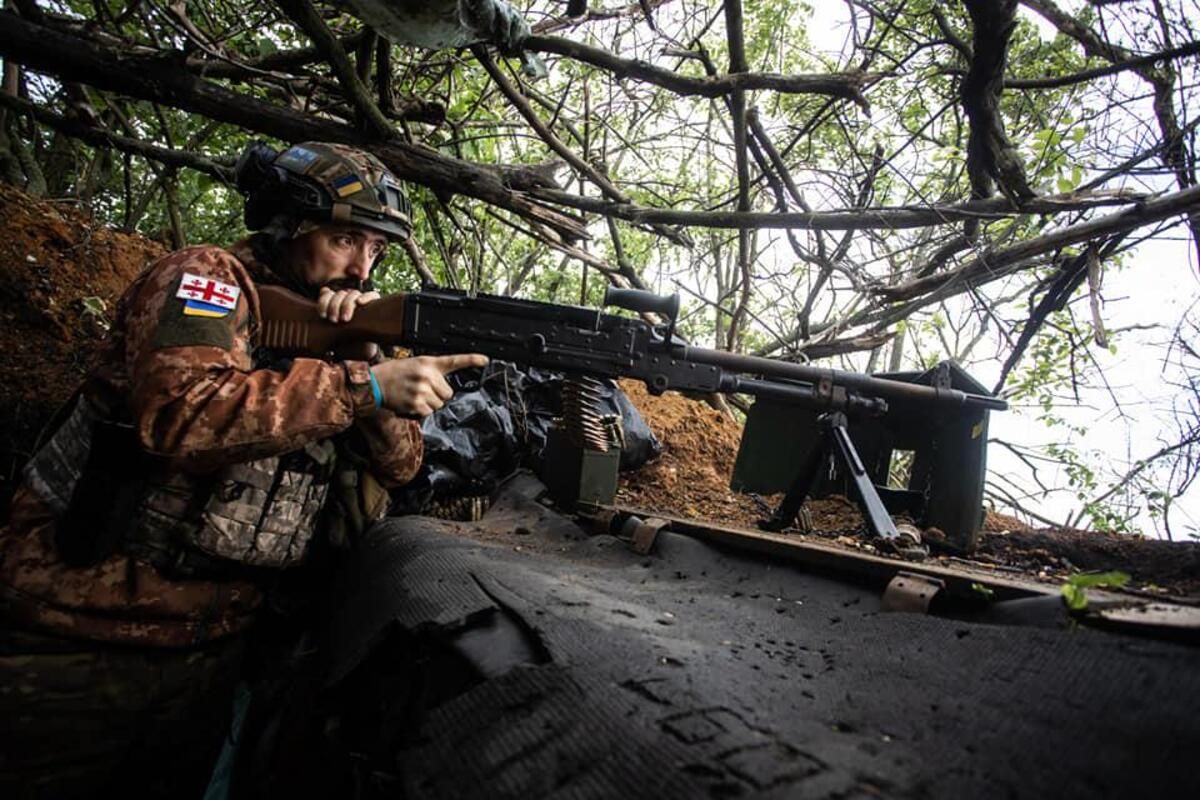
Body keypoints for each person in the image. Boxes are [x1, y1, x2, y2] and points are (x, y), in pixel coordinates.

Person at [0, 141, 487, 798]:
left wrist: (364, 359)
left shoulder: (346, 329)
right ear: (287, 222)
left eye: (375, 250)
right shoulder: (204, 278)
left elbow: (403, 466)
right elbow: (178, 416)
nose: (360, 264)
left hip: (215, 649)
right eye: (345, 239)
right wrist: (359, 388)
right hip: (78, 638)